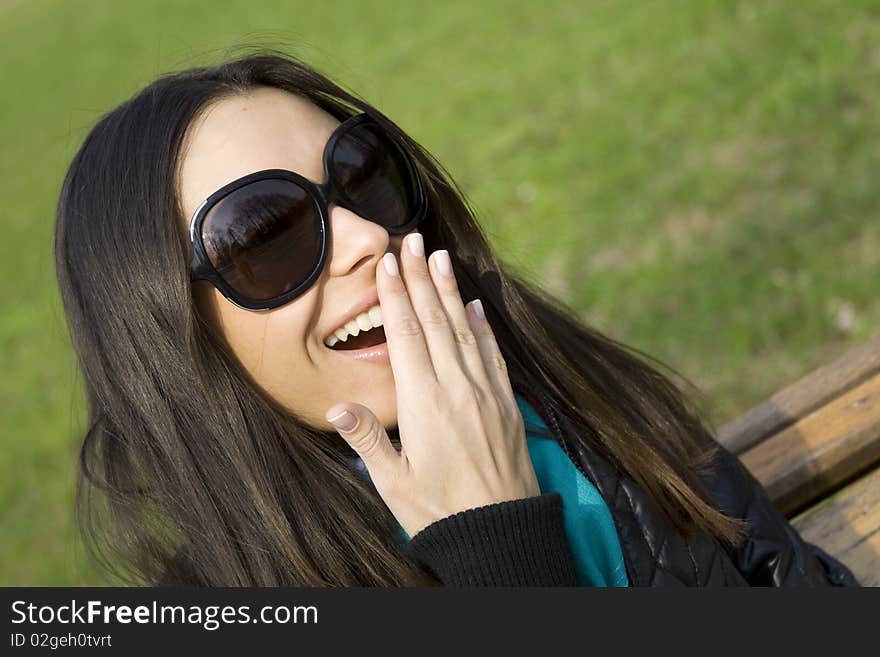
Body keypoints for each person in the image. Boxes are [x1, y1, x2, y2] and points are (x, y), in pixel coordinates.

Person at [54, 49, 859, 587]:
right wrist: (499, 552)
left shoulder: (548, 379)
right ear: (167, 338)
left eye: (360, 174)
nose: (372, 237)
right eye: (265, 233)